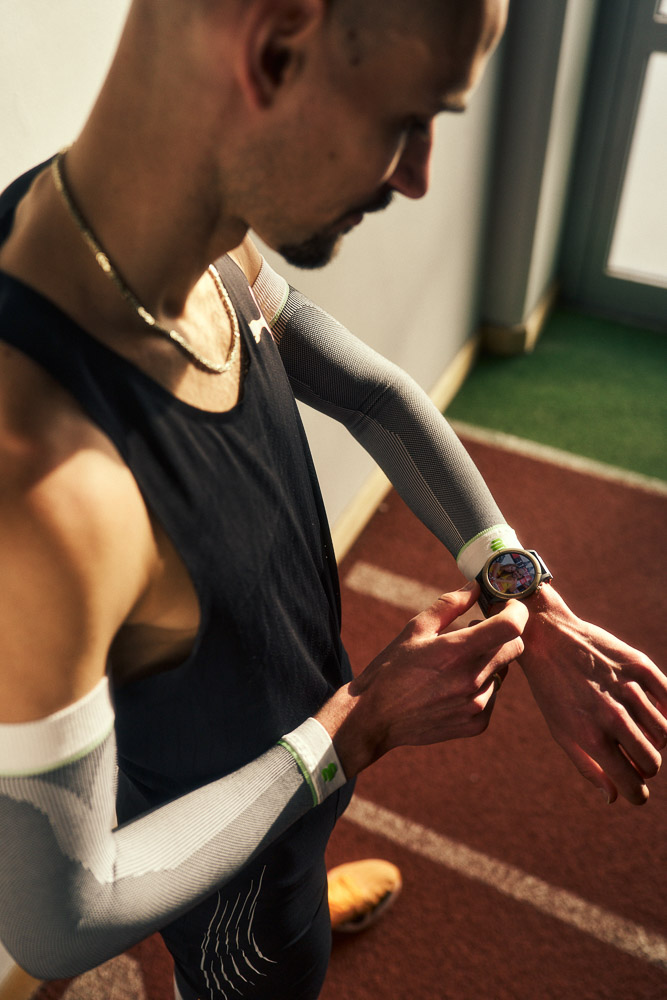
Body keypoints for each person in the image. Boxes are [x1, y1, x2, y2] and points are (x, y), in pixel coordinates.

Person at [0, 2, 665, 998]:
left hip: (294, 768)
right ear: (271, 50)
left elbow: (373, 393)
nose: (418, 175)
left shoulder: (184, 233)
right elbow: (61, 919)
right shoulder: (48, 473)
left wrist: (526, 593)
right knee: (271, 958)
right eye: (408, 120)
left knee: (290, 873)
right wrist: (356, 726)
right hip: (224, 864)